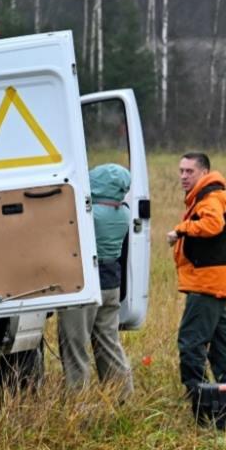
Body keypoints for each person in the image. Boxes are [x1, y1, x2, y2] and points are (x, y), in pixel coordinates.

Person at [58, 163, 135, 399]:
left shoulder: (90, 214)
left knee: (75, 343)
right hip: (111, 284)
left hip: (85, 285)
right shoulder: (123, 213)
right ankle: (122, 394)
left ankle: (77, 399)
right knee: (108, 342)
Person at [167, 152, 226, 394]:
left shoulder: (209, 198)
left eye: (190, 171)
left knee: (190, 343)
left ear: (204, 173)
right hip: (213, 283)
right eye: (181, 171)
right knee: (220, 347)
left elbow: (213, 224)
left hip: (206, 284)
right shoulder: (206, 196)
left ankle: (199, 397)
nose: (184, 176)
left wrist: (180, 229)